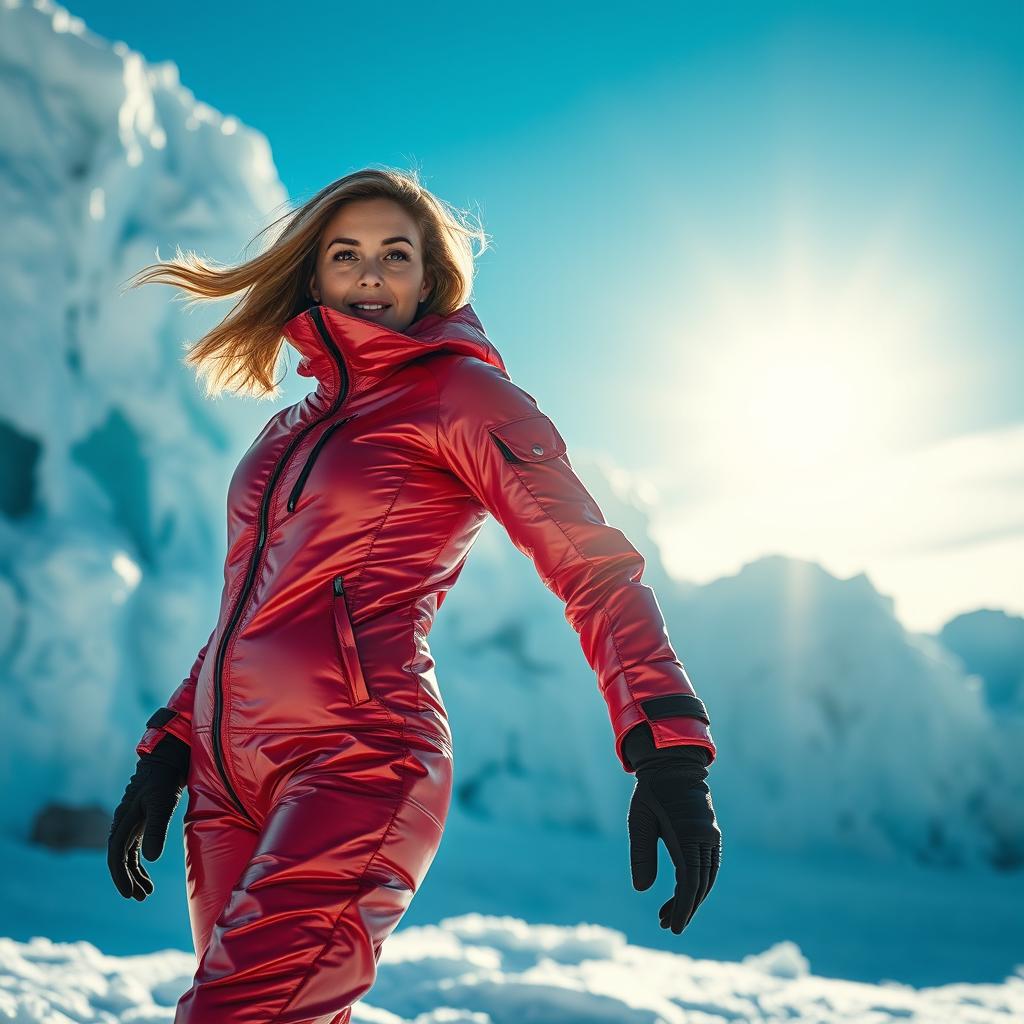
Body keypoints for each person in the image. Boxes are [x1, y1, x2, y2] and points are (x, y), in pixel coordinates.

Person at [106, 167, 722, 1024]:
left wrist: (669, 749)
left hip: (360, 762)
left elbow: (592, 566)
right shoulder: (289, 429)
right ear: (312, 274)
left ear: (428, 278)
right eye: (345, 254)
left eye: (394, 255)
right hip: (227, 780)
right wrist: (172, 748)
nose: (368, 275)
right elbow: (255, 608)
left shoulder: (461, 397)